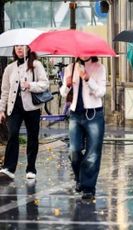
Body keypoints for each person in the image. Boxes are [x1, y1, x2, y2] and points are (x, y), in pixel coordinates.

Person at [0, 45, 49, 180]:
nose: (19, 49)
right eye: (17, 46)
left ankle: (31, 168)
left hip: (32, 107)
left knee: (32, 137)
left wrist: (30, 85)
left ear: (28, 48)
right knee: (13, 133)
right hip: (14, 107)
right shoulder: (10, 68)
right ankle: (9, 168)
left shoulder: (36, 65)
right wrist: (1, 110)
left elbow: (45, 84)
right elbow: (5, 90)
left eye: (22, 46)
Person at [60, 56, 106, 200]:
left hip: (94, 114)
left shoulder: (99, 67)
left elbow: (101, 92)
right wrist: (66, 85)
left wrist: (87, 79)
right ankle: (79, 178)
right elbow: (62, 93)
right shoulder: (70, 68)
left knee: (93, 153)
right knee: (74, 151)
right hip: (75, 114)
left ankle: (88, 188)